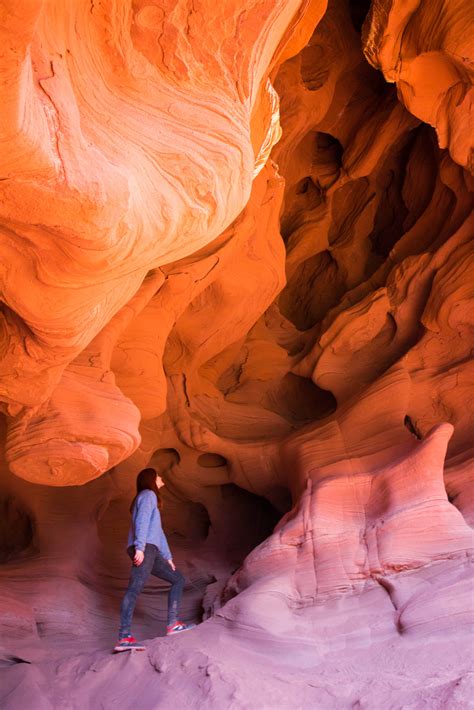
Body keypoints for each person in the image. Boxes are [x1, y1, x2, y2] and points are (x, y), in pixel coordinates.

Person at [115, 467, 194, 651]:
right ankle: (124, 637)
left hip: (151, 548)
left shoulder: (149, 498)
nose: (161, 479)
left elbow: (158, 533)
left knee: (178, 579)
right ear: (151, 479)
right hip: (145, 548)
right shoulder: (148, 494)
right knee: (134, 588)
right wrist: (140, 548)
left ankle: (173, 624)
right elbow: (141, 521)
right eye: (158, 476)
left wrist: (168, 557)